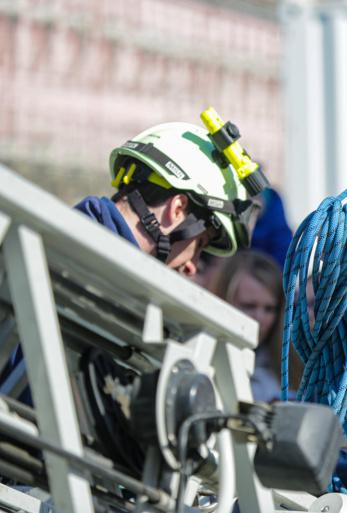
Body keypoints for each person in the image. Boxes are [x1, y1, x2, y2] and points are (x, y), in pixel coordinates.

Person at [1, 120, 259, 404]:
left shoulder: (56, 247)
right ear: (177, 210)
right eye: (200, 244)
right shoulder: (103, 286)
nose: (192, 266)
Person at [207, 250, 302, 401]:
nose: (260, 318)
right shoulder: (201, 351)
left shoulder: (291, 369)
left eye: (269, 309)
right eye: (249, 306)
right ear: (224, 300)